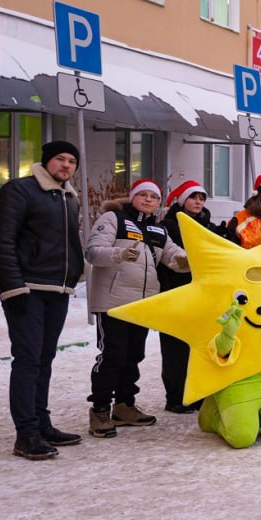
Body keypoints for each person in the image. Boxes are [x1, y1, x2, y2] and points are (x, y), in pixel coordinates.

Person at [0, 140, 86, 460]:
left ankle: (42, 423)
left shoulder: (69, 198)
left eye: (72, 161)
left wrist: (73, 278)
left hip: (58, 290)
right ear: (46, 161)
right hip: (27, 289)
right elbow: (0, 240)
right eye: (60, 159)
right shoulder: (20, 191)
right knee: (28, 360)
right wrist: (13, 287)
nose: (66, 165)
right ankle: (26, 433)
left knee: (44, 359)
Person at [85, 179, 188, 438]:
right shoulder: (114, 219)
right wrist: (118, 255)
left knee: (133, 356)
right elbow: (93, 253)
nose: (148, 200)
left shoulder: (157, 229)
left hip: (142, 305)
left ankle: (124, 406)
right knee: (113, 356)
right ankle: (99, 410)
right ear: (132, 197)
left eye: (153, 197)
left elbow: (175, 258)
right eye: (142, 195)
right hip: (112, 302)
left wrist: (192, 260)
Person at [157, 180, 226, 414]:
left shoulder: (209, 226)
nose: (198, 202)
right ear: (181, 200)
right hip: (177, 292)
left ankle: (198, 393)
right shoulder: (167, 225)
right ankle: (175, 396)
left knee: (202, 347)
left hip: (205, 295)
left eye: (202, 198)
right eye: (193, 197)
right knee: (175, 347)